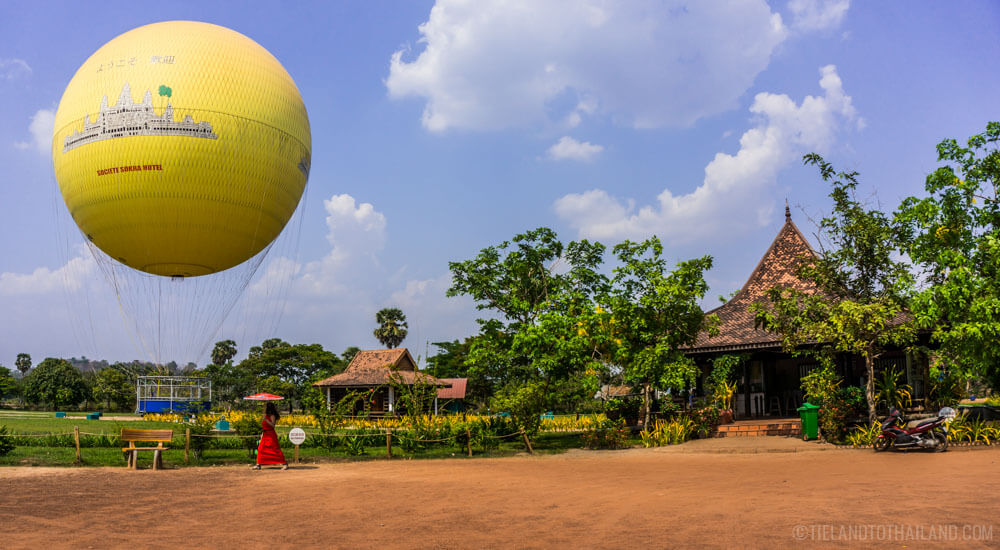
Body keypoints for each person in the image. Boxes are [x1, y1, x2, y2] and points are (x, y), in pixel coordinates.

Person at [253, 401, 288, 470]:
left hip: (271, 435)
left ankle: (284, 464)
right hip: (265, 434)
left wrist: (266, 420)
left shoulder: (272, 416)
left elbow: (273, 425)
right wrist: (262, 433)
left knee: (275, 449)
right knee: (260, 449)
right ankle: (258, 464)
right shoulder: (266, 415)